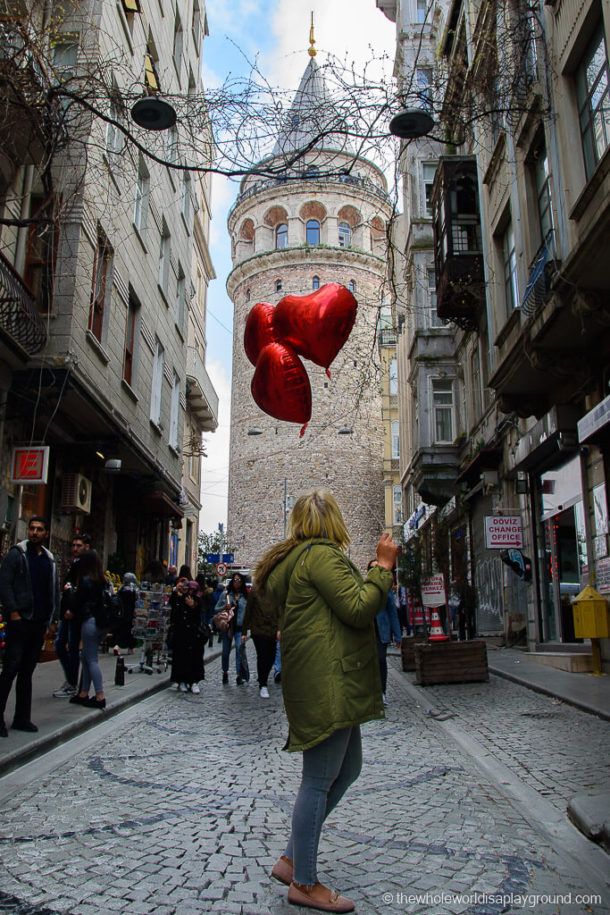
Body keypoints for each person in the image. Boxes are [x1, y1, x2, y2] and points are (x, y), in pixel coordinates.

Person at [255, 490, 399, 914]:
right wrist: (384, 569)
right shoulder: (321, 556)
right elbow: (358, 609)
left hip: (325, 678)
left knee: (348, 769)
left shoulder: (301, 558)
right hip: (328, 681)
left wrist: (372, 572)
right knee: (317, 781)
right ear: (333, 520)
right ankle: (303, 882)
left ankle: (290, 858)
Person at [0, 516, 60, 737]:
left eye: (39, 529)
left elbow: (54, 591)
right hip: (20, 620)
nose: (35, 532)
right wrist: (13, 612)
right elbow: (5, 584)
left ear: (46, 533)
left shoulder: (48, 559)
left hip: (38, 623)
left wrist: (53, 620)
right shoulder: (17, 554)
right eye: (32, 529)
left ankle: (22, 717)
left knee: (27, 671)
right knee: (10, 669)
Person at [68, 550, 108, 710]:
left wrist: (71, 607)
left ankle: (100, 696)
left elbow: (78, 602)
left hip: (90, 621)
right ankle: (83, 693)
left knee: (91, 659)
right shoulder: (102, 580)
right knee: (86, 657)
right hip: (101, 624)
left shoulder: (86, 581)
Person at [53, 532, 91, 698]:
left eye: (78, 546)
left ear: (86, 547)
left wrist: (72, 609)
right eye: (73, 545)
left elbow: (82, 592)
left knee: (70, 647)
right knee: (61, 645)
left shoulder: (85, 566)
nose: (75, 548)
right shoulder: (75, 563)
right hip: (66, 612)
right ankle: (71, 680)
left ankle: (72, 682)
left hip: (74, 614)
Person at [367, 561, 402, 707]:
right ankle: (371, 692)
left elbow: (393, 613)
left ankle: (382, 692)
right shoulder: (365, 588)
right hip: (367, 632)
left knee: (381, 660)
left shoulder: (387, 591)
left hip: (382, 631)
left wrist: (398, 635)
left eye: (377, 567)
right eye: (372, 568)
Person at [168, 580, 205, 693]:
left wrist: (193, 606)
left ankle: (194, 682)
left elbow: (199, 615)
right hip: (181, 633)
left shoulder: (198, 600)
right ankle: (182, 681)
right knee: (181, 658)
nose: (189, 592)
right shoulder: (179, 599)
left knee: (195, 658)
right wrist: (175, 592)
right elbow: (173, 610)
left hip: (194, 634)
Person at [243, 586, 278, 699]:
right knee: (262, 655)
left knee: (271, 657)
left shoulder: (275, 591)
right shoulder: (254, 592)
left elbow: (280, 611)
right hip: (258, 629)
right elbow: (248, 611)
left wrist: (279, 628)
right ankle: (263, 684)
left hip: (272, 629)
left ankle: (263, 677)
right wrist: (244, 631)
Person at [215, 572, 248, 685]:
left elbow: (248, 613)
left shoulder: (245, 596)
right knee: (225, 652)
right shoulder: (226, 595)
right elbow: (216, 608)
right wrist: (225, 606)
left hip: (239, 627)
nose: (237, 582)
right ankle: (225, 672)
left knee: (239, 650)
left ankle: (239, 675)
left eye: (239, 580)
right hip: (228, 627)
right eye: (235, 580)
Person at [111, 572, 138, 653]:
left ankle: (117, 645)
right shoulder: (134, 589)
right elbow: (137, 600)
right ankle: (130, 648)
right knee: (131, 631)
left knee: (120, 630)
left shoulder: (121, 588)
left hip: (121, 612)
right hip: (131, 612)